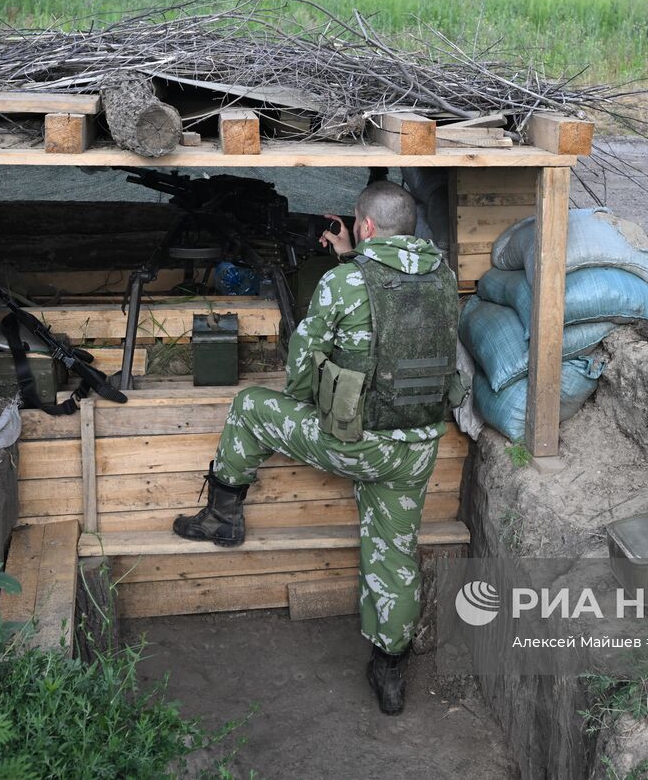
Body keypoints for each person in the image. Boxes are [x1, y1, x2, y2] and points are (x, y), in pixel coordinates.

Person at [172, 180, 463, 715]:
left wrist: (306, 405)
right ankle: (391, 671)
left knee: (251, 407)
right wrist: (353, 257)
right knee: (395, 555)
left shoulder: (344, 283)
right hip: (419, 446)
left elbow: (302, 371)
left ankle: (222, 515)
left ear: (365, 226)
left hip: (354, 442)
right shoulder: (444, 276)